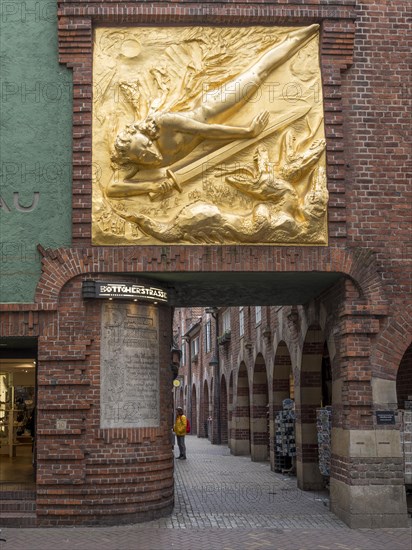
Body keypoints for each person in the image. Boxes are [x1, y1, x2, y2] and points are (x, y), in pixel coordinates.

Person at [108, 24, 319, 197]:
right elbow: (112, 188)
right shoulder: (135, 160)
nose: (150, 154)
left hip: (213, 110)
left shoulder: (165, 123)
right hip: (207, 146)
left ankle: (295, 38)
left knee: (257, 74)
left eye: (146, 145)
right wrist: (149, 187)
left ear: (148, 135)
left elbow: (206, 130)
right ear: (134, 160)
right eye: (143, 155)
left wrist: (247, 132)